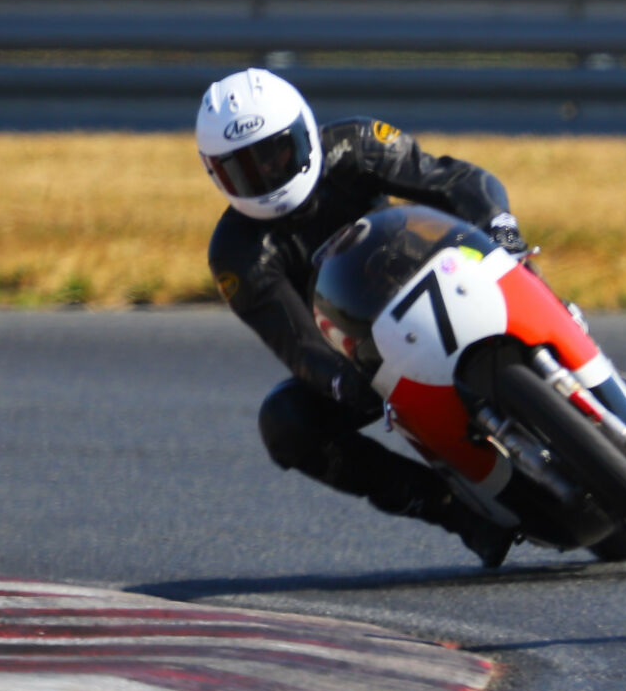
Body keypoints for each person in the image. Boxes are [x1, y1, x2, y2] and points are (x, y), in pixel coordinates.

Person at [197, 67, 521, 566]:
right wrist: (343, 384)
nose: (266, 175)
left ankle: (588, 365)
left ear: (305, 131)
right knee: (285, 424)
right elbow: (296, 344)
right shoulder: (236, 255)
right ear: (216, 175)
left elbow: (457, 181)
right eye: (244, 170)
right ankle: (452, 510)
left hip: (441, 280)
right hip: (364, 359)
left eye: (277, 153)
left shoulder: (357, 144)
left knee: (511, 256)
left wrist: (501, 230)